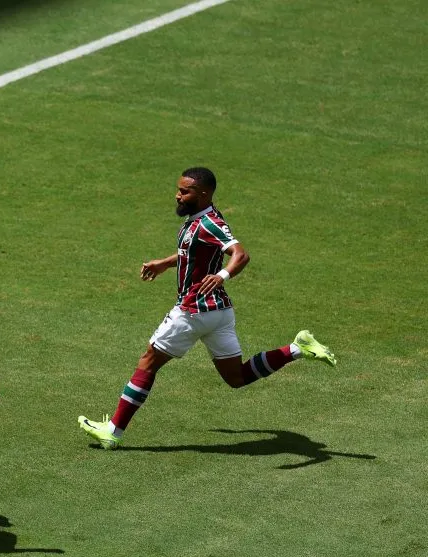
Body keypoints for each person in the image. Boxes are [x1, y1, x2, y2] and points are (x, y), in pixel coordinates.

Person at [78, 167, 337, 450]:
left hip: (193, 311)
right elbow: (192, 253)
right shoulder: (198, 221)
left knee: (148, 361)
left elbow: (241, 254)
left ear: (203, 194)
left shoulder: (209, 223)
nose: (177, 196)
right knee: (236, 377)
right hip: (219, 314)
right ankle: (298, 348)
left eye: (184, 191)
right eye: (178, 189)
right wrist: (165, 263)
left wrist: (221, 276)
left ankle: (113, 431)